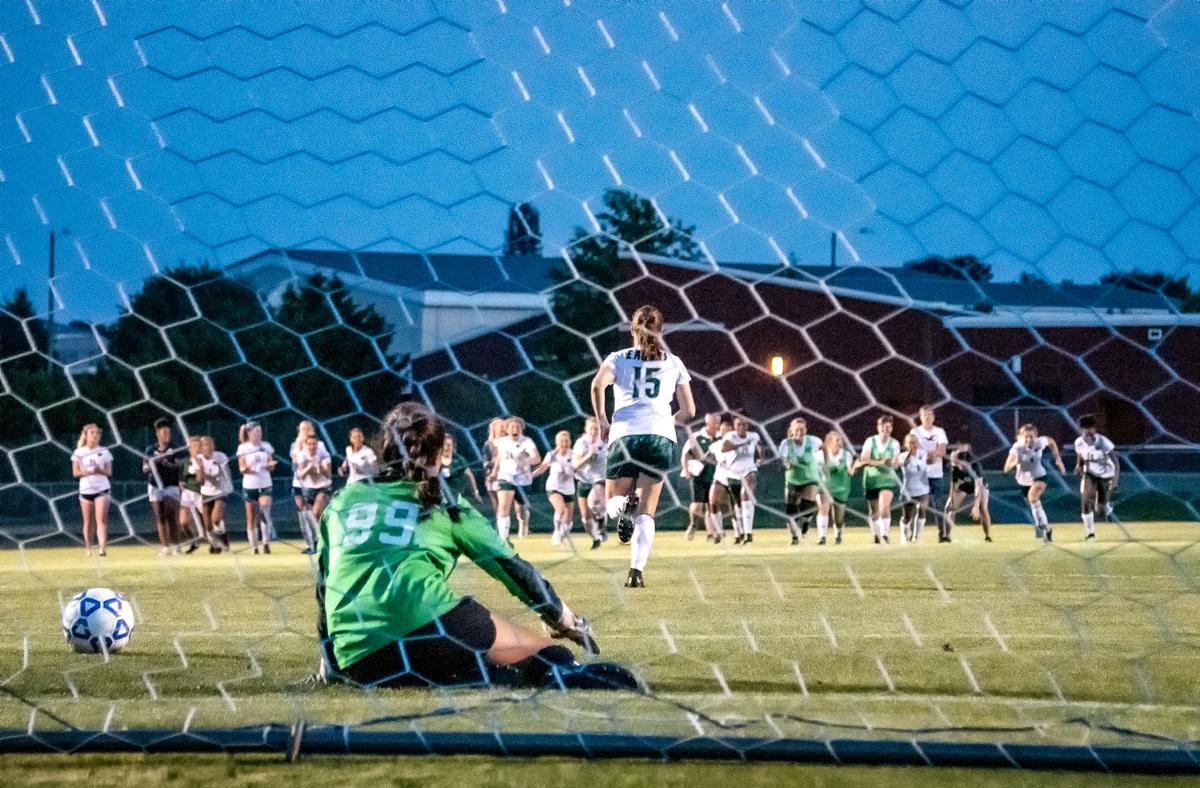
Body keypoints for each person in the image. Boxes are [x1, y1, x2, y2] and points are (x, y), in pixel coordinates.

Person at [315, 401, 637, 691]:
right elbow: (512, 568)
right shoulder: (445, 503)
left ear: (383, 447)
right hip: (430, 623)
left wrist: (331, 664)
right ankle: (561, 673)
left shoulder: (342, 501)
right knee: (548, 654)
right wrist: (564, 621)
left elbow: (324, 588)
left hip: (358, 657)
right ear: (440, 452)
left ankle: (477, 676)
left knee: (440, 666)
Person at [590, 305, 696, 588]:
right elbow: (689, 411)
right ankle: (635, 572)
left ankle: (623, 505)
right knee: (646, 511)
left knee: (611, 501)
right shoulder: (674, 362)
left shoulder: (618, 359)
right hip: (659, 437)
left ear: (632, 329)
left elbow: (597, 386)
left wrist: (602, 419)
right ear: (661, 331)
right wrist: (667, 422)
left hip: (625, 434)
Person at [1003, 423, 1066, 543]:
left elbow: (1052, 442)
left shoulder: (1040, 442)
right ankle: (1041, 526)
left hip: (1040, 477)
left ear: (1035, 437)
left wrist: (1058, 459)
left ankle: (1045, 529)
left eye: (1031, 436)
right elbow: (1006, 468)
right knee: (1032, 504)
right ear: (1021, 438)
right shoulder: (1016, 448)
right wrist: (1015, 461)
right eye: (1025, 437)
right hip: (1023, 482)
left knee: (1032, 498)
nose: (1028, 439)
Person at [491, 417, 540, 542]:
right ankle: (503, 539)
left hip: (523, 479)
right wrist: (494, 472)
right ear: (506, 430)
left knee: (521, 510)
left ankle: (524, 523)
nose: (515, 429)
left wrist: (526, 460)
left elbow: (537, 458)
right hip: (506, 477)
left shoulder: (527, 442)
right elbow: (498, 456)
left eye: (518, 427)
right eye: (512, 427)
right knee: (503, 506)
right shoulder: (501, 442)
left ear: (522, 429)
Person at [777, 417, 823, 545]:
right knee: (791, 511)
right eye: (796, 430)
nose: (799, 432)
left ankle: (806, 522)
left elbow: (824, 448)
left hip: (810, 478)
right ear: (791, 430)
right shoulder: (786, 444)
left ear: (806, 430)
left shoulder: (813, 441)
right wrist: (788, 465)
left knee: (806, 506)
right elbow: (784, 462)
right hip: (792, 480)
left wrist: (825, 464)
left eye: (802, 430)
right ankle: (794, 538)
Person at [719, 416, 763, 545]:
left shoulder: (754, 435)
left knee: (746, 496)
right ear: (735, 425)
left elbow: (760, 445)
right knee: (736, 505)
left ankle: (749, 533)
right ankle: (740, 532)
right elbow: (724, 448)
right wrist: (743, 443)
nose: (742, 427)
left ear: (748, 425)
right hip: (733, 473)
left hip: (749, 469)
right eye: (739, 424)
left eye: (744, 424)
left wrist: (761, 457)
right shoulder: (730, 436)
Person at [1074, 414, 1118, 541]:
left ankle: (1108, 508)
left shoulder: (1104, 442)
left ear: (1095, 428)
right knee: (1086, 500)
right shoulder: (1079, 442)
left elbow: (1116, 462)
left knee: (1100, 510)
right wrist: (1079, 466)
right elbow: (1080, 455)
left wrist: (1115, 480)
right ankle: (1090, 534)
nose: (1088, 431)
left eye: (1090, 427)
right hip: (1090, 474)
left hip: (1106, 475)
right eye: (1084, 428)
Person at [908, 406, 949, 541]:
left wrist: (929, 454)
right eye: (925, 415)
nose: (928, 417)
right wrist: (931, 454)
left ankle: (942, 535)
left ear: (934, 417)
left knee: (938, 504)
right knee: (917, 505)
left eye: (930, 414)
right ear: (920, 417)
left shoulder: (940, 431)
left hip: (936, 474)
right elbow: (915, 451)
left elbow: (942, 451)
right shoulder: (915, 431)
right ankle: (913, 534)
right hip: (920, 474)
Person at [236, 421, 277, 555]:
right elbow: (241, 467)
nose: (259, 434)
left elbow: (271, 464)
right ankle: (254, 547)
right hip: (250, 484)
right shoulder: (243, 448)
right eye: (256, 432)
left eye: (260, 431)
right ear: (249, 433)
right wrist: (247, 468)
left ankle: (266, 543)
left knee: (264, 510)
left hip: (265, 483)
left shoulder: (266, 446)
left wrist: (271, 465)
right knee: (251, 517)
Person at [143, 417, 182, 556]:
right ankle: (165, 547)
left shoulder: (174, 448)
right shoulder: (150, 450)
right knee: (159, 516)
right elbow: (145, 468)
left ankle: (177, 545)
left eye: (168, 432)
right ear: (158, 434)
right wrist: (157, 460)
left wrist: (166, 463)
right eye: (164, 432)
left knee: (171, 514)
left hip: (170, 485)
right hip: (154, 485)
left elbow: (178, 465)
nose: (167, 435)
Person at [72, 423, 113, 557]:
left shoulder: (104, 451)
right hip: (86, 490)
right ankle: (88, 548)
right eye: (92, 433)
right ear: (86, 435)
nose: (95, 435)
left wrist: (99, 470)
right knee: (88, 521)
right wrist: (89, 472)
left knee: (101, 519)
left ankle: (102, 548)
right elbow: (76, 472)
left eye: (97, 433)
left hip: (102, 488)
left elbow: (108, 472)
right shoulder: (79, 452)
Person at [859, 414, 901, 544]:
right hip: (871, 480)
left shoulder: (894, 443)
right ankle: (876, 536)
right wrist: (882, 462)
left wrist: (893, 463)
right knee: (874, 511)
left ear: (891, 429)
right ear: (878, 428)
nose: (885, 429)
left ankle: (885, 535)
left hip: (887, 479)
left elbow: (895, 462)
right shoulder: (870, 441)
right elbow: (864, 459)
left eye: (888, 427)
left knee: (884, 505)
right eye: (883, 427)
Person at [680, 412, 720, 542]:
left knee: (711, 505)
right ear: (708, 423)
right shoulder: (697, 437)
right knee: (698, 506)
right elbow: (685, 454)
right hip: (699, 476)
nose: (718, 425)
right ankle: (693, 524)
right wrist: (686, 471)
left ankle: (711, 534)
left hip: (716, 476)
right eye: (715, 423)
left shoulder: (721, 438)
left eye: (719, 422)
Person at [532, 431, 577, 546]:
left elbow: (579, 468)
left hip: (569, 488)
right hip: (554, 486)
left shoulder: (574, 454)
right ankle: (556, 532)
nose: (564, 443)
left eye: (566, 440)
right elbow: (543, 468)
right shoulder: (552, 455)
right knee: (561, 510)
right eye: (562, 440)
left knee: (568, 518)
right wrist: (530, 476)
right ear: (557, 442)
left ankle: (562, 535)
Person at [572, 418, 607, 550]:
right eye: (591, 428)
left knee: (593, 503)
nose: (593, 431)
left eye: (596, 429)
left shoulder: (604, 442)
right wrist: (588, 455)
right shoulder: (581, 443)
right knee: (586, 517)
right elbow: (575, 466)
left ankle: (602, 523)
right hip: (583, 480)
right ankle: (595, 538)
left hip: (599, 478)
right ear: (586, 429)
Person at [946, 443, 991, 542]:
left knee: (983, 508)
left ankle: (987, 536)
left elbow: (978, 487)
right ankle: (946, 536)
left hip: (981, 486)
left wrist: (975, 506)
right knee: (949, 508)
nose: (959, 465)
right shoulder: (955, 467)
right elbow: (953, 485)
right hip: (965, 485)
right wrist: (951, 499)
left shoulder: (975, 466)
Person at [818, 431, 856, 545]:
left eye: (841, 440)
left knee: (838, 519)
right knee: (823, 508)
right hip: (825, 487)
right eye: (837, 440)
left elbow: (851, 471)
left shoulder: (846, 455)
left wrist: (856, 466)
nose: (840, 442)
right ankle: (822, 537)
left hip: (841, 489)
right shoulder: (821, 454)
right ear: (829, 442)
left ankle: (838, 533)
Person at [297, 433, 333, 553]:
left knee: (316, 512)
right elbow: (301, 475)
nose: (312, 446)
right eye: (310, 444)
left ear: (317, 445)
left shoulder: (324, 455)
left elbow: (328, 474)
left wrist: (320, 468)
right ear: (306, 445)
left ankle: (323, 541)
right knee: (309, 518)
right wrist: (309, 467)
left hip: (323, 487)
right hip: (308, 489)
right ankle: (317, 542)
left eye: (314, 444)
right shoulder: (302, 455)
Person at [197, 435, 232, 552]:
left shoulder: (220, 457)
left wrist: (228, 484)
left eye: (211, 444)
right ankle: (216, 545)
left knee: (216, 519)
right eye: (206, 445)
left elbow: (224, 474)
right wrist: (201, 467)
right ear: (201, 448)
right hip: (206, 492)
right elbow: (200, 481)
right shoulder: (198, 459)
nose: (209, 447)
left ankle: (223, 538)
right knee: (208, 525)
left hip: (220, 491)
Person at [706, 419, 736, 544]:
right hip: (719, 477)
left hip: (735, 478)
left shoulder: (737, 444)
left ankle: (738, 533)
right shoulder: (716, 445)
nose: (725, 433)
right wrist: (717, 463)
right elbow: (706, 456)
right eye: (723, 430)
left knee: (734, 507)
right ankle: (719, 532)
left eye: (728, 430)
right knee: (713, 502)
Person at [897, 433, 930, 543]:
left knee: (922, 510)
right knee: (907, 517)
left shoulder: (923, 454)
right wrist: (910, 455)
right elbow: (908, 468)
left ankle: (916, 536)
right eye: (910, 442)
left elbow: (921, 467)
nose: (913, 444)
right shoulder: (902, 456)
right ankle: (903, 534)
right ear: (906, 444)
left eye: (915, 442)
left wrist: (916, 465)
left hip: (923, 489)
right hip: (908, 490)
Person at [178, 435, 206, 553]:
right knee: (183, 522)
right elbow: (180, 479)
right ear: (189, 448)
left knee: (208, 520)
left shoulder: (204, 461)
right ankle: (193, 542)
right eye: (193, 446)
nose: (196, 449)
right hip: (188, 494)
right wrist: (180, 484)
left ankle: (217, 542)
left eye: (198, 446)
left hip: (201, 493)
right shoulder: (184, 462)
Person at [482, 418, 507, 513]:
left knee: (504, 504)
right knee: (495, 504)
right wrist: (490, 467)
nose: (503, 429)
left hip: (505, 476)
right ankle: (498, 524)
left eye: (504, 427)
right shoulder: (488, 444)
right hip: (491, 476)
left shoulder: (509, 442)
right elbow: (485, 459)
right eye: (501, 426)